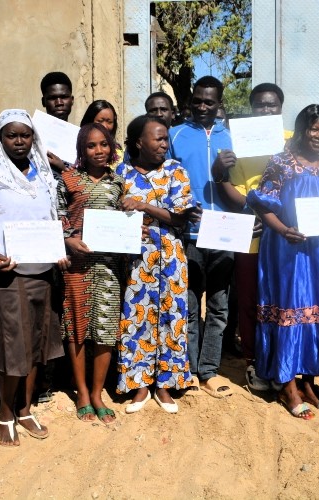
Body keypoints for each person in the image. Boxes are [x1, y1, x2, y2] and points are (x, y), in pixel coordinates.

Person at [246, 104, 319, 419]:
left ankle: (308, 384)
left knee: (318, 310)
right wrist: (285, 231)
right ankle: (286, 386)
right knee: (290, 308)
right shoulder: (281, 163)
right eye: (313, 129)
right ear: (301, 130)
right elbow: (262, 206)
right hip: (288, 249)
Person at [0, 109, 65, 445]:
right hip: (7, 274)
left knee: (36, 344)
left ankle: (26, 408)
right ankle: (6, 411)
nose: (19, 142)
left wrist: (59, 249)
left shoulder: (44, 174)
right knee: (13, 347)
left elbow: (52, 221)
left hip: (42, 271)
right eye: (11, 135)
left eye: (25, 135)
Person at [211, 83, 292, 391]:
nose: (266, 110)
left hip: (287, 238)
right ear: (252, 107)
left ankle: (283, 358)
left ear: (281, 108)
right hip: (253, 234)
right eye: (260, 106)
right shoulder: (237, 143)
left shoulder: (292, 142)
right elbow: (235, 193)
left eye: (271, 105)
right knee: (249, 300)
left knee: (283, 300)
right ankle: (254, 362)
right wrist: (253, 209)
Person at [116, 115, 195, 414]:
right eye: (158, 138)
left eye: (165, 139)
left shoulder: (176, 171)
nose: (164, 144)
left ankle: (164, 384)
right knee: (138, 317)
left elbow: (180, 217)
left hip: (171, 258)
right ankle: (139, 385)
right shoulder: (120, 174)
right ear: (139, 142)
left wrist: (144, 205)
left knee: (171, 317)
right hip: (136, 259)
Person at [170, 76, 235, 398]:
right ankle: (191, 370)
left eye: (209, 102)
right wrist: (179, 207)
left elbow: (250, 181)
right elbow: (163, 178)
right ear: (191, 101)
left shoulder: (234, 137)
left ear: (219, 104)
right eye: (198, 101)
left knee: (220, 306)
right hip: (191, 234)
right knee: (192, 304)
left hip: (225, 234)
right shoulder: (176, 135)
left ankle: (209, 370)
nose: (203, 107)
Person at [58, 123, 124, 424]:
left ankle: (98, 392)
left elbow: (125, 223)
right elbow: (56, 217)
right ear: (81, 151)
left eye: (104, 145)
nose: (99, 151)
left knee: (106, 329)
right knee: (76, 327)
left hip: (108, 266)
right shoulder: (68, 180)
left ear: (111, 148)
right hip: (77, 266)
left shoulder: (118, 183)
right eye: (91, 146)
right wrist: (68, 239)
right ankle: (82, 392)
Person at [40, 71, 75, 173]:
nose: (59, 103)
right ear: (43, 102)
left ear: (72, 100)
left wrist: (63, 168)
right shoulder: (32, 136)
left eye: (64, 97)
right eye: (52, 98)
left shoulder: (82, 137)